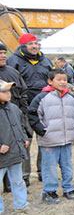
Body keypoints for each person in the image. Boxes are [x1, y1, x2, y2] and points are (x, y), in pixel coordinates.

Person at [28, 70, 74, 204]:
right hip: (49, 141)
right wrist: (43, 131)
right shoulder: (42, 97)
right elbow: (33, 115)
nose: (63, 82)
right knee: (49, 167)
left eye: (65, 79)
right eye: (59, 79)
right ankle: (49, 191)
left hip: (66, 140)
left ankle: (68, 188)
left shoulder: (71, 98)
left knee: (67, 165)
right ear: (50, 81)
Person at [7, 33, 53, 181]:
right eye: (31, 44)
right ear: (23, 46)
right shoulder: (13, 61)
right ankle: (24, 175)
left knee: (45, 140)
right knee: (25, 141)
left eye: (36, 43)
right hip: (24, 109)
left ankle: (43, 172)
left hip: (44, 107)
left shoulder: (45, 61)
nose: (34, 46)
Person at [0, 43, 31, 187]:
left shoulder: (13, 72)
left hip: (15, 115)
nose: (3, 56)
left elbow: (23, 91)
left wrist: (23, 111)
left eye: (4, 53)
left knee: (19, 150)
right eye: (0, 53)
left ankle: (18, 182)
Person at [0, 80, 30, 214]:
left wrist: (23, 138)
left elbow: (21, 125)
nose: (8, 94)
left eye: (9, 91)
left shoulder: (13, 108)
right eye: (4, 91)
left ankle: (21, 204)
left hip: (15, 153)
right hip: (2, 156)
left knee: (18, 181)